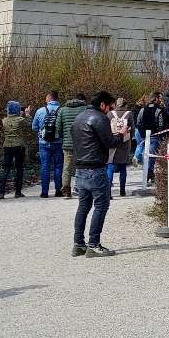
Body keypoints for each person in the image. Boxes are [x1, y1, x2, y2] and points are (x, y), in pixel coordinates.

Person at [71, 91, 122, 257]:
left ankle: (78, 243)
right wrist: (121, 135)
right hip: (96, 168)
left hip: (80, 168)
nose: (110, 110)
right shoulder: (100, 119)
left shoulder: (79, 117)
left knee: (83, 207)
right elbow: (110, 142)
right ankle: (94, 244)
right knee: (101, 205)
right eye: (110, 107)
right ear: (102, 104)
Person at [32, 91, 64, 198]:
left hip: (44, 143)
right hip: (58, 142)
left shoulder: (40, 111)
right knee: (58, 166)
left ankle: (44, 192)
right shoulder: (62, 111)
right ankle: (58, 191)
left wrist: (41, 132)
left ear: (49, 98)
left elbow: (34, 127)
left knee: (45, 167)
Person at [0, 100, 32, 198]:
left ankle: (1, 192)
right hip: (19, 146)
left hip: (7, 146)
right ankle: (18, 192)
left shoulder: (4, 120)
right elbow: (29, 123)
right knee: (19, 169)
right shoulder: (20, 120)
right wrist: (27, 114)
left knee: (6, 169)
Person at [58, 92, 88, 198]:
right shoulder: (85, 109)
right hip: (82, 143)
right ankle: (80, 189)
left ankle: (66, 191)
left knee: (67, 168)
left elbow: (58, 128)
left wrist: (64, 137)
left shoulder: (63, 110)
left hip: (67, 144)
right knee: (81, 166)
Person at [136, 91, 165, 183]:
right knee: (151, 156)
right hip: (155, 136)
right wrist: (159, 134)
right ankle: (148, 174)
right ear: (156, 98)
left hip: (144, 136)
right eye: (159, 98)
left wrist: (142, 134)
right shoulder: (159, 110)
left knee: (146, 155)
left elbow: (139, 122)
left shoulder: (143, 109)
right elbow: (161, 125)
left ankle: (149, 173)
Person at [106, 99, 134, 196]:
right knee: (123, 167)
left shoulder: (109, 114)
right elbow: (132, 130)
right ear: (125, 105)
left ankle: (108, 191)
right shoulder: (129, 114)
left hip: (112, 142)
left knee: (110, 166)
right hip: (125, 143)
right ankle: (122, 190)